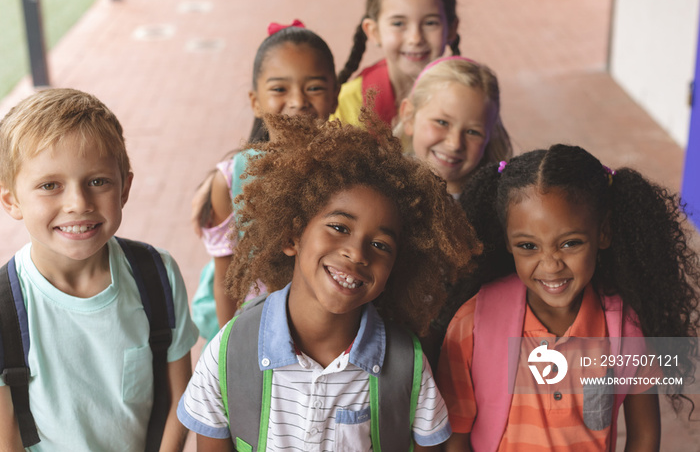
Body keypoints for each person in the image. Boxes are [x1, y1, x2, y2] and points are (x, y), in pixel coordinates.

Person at [178, 111, 481, 450]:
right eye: (339, 227)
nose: (357, 253)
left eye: (381, 245)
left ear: (397, 266)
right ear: (293, 235)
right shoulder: (230, 351)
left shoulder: (406, 366)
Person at [437, 144, 700, 451]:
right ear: (507, 241)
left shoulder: (624, 329)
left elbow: (644, 437)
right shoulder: (472, 325)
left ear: (603, 232)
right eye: (528, 246)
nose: (550, 265)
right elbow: (455, 439)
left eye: (570, 243)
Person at [0, 88, 199, 451]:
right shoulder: (4, 309)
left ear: (124, 188)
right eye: (50, 186)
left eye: (98, 182)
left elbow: (178, 400)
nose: (78, 203)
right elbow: (5, 437)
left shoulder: (157, 276)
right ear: (12, 200)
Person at [191, 22, 339, 339]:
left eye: (313, 87)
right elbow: (226, 278)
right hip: (255, 334)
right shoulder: (231, 180)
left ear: (335, 95)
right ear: (255, 101)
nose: (298, 101)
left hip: (329, 333)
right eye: (279, 89)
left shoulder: (348, 173)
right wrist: (227, 348)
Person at [333, 0, 460, 127]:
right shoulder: (349, 102)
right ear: (373, 31)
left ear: (451, 29)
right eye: (398, 23)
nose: (415, 38)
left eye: (430, 23)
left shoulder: (468, 97)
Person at [395, 56, 512, 198]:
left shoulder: (496, 204)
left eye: (472, 132)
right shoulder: (382, 184)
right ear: (409, 117)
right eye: (442, 122)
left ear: (489, 136)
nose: (455, 144)